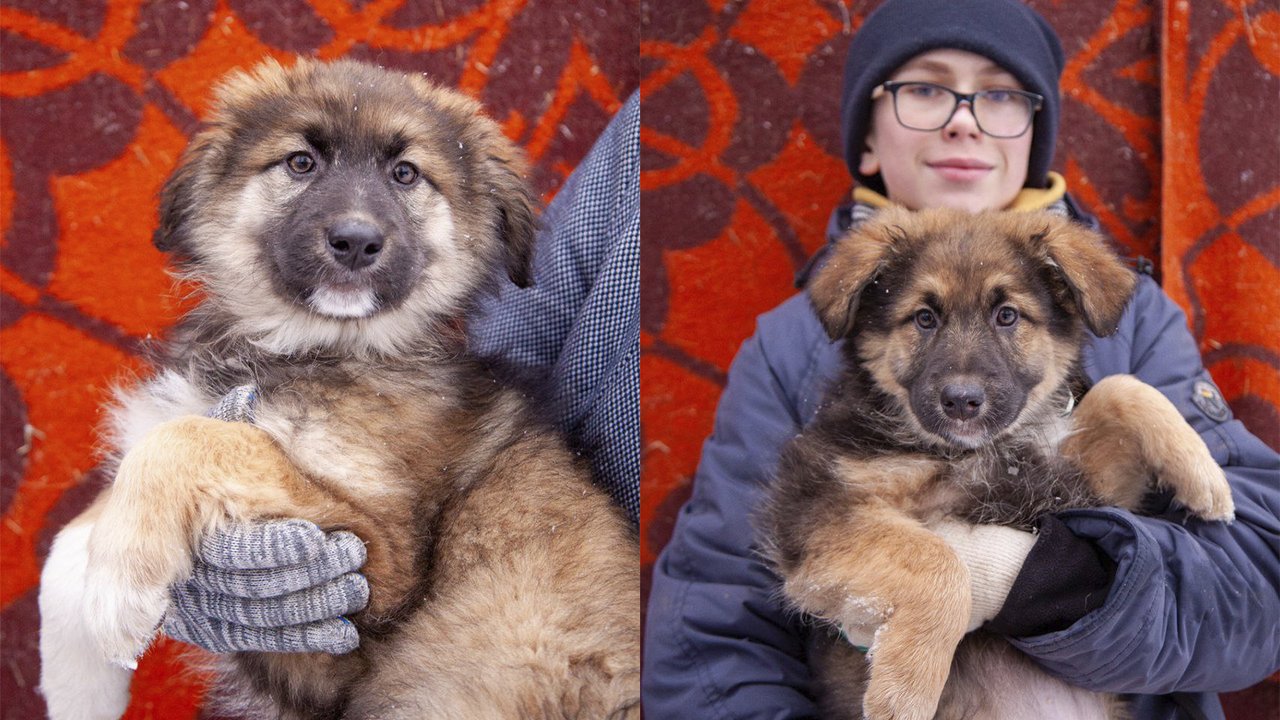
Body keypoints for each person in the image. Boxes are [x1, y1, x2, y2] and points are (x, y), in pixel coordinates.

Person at [641, 1, 1280, 719]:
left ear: (1033, 133)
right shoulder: (792, 347)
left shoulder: (1133, 320)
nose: (963, 119)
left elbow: (1258, 586)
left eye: (1001, 94)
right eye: (924, 88)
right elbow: (714, 631)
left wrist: (1050, 585)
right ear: (868, 142)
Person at [160, 91, 640, 655]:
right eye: (300, 163)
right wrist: (160, 562)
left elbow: (372, 582)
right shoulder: (634, 148)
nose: (357, 222)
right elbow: (522, 327)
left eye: (407, 174)